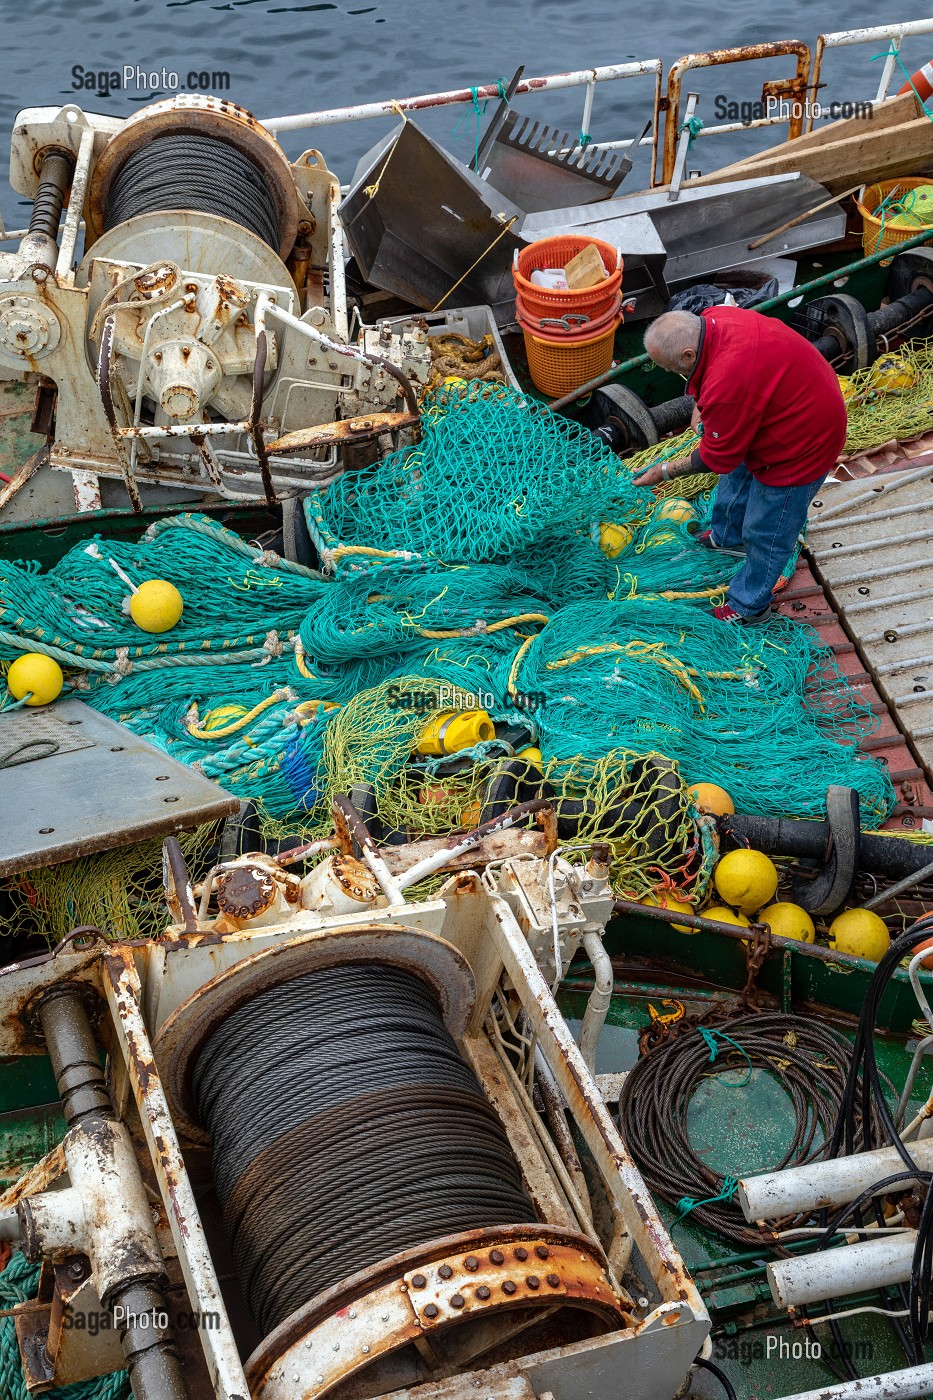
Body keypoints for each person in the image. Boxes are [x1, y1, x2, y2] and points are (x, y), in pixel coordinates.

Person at [633, 306, 847, 623]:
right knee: (736, 478)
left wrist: (663, 471)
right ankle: (727, 538)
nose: (672, 374)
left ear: (689, 356)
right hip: (781, 405)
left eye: (672, 369)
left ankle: (748, 607)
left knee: (767, 528)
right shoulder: (713, 317)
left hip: (804, 443)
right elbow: (713, 388)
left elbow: (717, 458)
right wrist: (701, 403)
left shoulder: (726, 383)